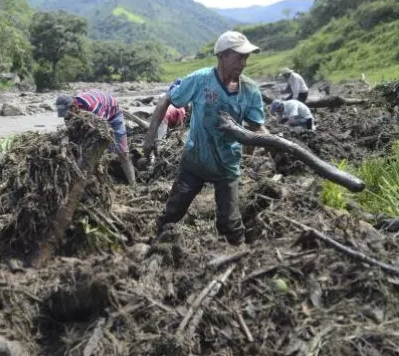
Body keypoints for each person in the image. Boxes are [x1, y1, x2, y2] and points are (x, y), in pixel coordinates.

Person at [143, 31, 268, 245]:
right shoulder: (201, 80)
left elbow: (258, 128)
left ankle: (238, 255)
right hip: (195, 161)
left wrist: (272, 144)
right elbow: (167, 99)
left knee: (229, 222)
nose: (244, 63)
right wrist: (150, 137)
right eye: (239, 57)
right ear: (222, 56)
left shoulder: (250, 91)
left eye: (246, 57)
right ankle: (153, 243)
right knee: (173, 211)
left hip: (227, 165)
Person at [55, 90, 136, 185]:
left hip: (113, 114)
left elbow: (102, 130)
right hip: (97, 112)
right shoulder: (73, 110)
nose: (66, 118)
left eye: (67, 114)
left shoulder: (93, 106)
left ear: (74, 107)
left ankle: (133, 184)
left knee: (122, 152)